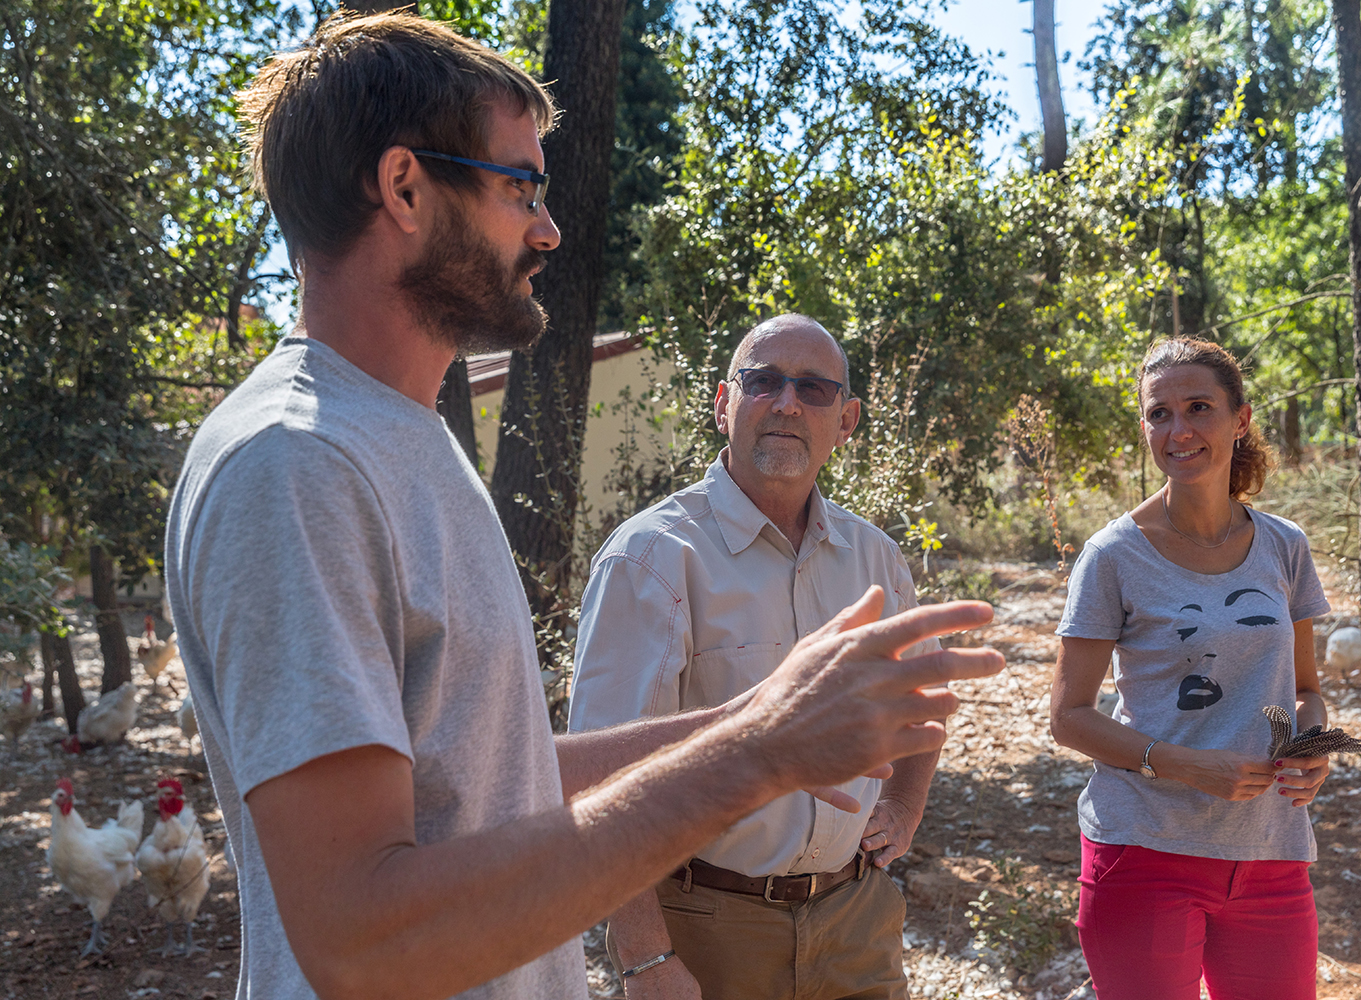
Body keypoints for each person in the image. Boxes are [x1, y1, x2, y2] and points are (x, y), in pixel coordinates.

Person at [163, 14, 1003, 1000]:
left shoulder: (401, 439)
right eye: (521, 185)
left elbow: (490, 783)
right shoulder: (296, 464)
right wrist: (752, 753)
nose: (548, 227)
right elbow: (358, 937)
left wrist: (752, 718)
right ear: (403, 187)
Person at [569, 314, 943, 1000]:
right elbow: (601, 781)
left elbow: (924, 694)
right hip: (707, 925)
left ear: (847, 420)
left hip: (855, 921)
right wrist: (646, 957)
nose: (787, 403)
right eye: (763, 382)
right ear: (723, 404)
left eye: (814, 389)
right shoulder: (652, 558)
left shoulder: (874, 559)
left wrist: (905, 802)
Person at [1048, 337, 1332, 1000]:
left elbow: (1309, 691)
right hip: (1145, 853)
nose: (1178, 430)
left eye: (1198, 407)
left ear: (1241, 419)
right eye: (1158, 414)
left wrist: (1313, 747)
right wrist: (1183, 764)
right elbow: (1068, 716)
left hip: (1271, 853)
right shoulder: (1112, 556)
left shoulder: (1285, 547)